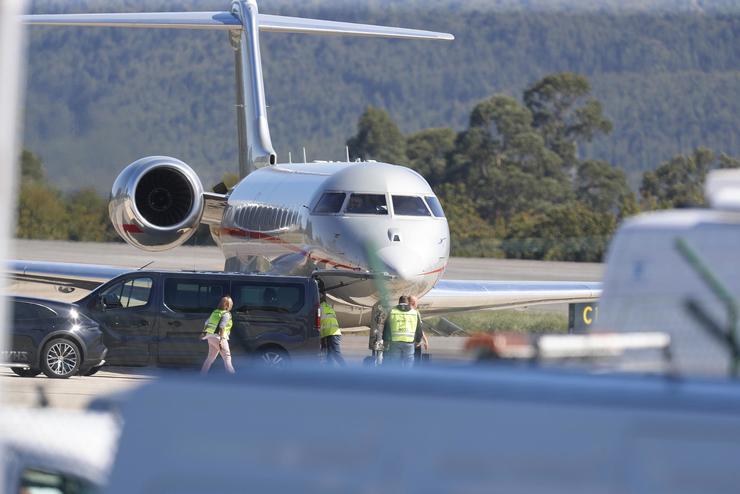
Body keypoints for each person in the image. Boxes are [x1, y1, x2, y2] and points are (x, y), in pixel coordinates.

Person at [383, 295, 422, 367]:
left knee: (395, 363)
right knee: (408, 363)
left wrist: (385, 340)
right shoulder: (414, 312)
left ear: (399, 302)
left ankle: (397, 376)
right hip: (409, 342)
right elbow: (419, 328)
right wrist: (418, 340)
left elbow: (387, 327)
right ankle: (406, 377)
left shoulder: (392, 311)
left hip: (395, 342)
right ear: (407, 302)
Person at [200, 296, 236, 375]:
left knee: (210, 358)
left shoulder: (215, 312)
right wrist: (221, 340)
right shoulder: (226, 314)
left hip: (210, 337)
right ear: (227, 305)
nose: (231, 306)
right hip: (219, 338)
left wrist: (203, 333)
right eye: (231, 304)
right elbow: (222, 326)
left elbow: (206, 322)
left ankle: (202, 376)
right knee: (227, 358)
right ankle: (234, 379)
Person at [320, 290, 346, 367]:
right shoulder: (328, 307)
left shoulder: (319, 309)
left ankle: (346, 369)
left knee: (335, 353)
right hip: (333, 333)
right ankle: (330, 370)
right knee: (329, 354)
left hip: (332, 333)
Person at [409, 295, 429, 365]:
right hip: (414, 341)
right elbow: (419, 328)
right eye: (417, 302)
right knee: (415, 362)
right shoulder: (415, 313)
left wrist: (425, 340)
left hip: (404, 341)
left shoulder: (402, 311)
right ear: (413, 303)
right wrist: (424, 341)